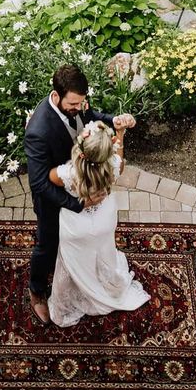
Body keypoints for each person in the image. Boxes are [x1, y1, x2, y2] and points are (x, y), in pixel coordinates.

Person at [23, 63, 136, 325]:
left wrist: (113, 121)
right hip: (54, 196)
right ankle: (36, 291)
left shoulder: (78, 102)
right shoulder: (38, 132)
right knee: (46, 243)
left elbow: (91, 114)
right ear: (56, 95)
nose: (79, 107)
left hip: (79, 174)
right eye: (73, 104)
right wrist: (77, 203)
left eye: (81, 102)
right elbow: (39, 183)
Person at [47, 118, 150, 327]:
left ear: (81, 149)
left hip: (76, 227)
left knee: (73, 261)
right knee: (102, 253)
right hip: (103, 222)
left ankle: (69, 298)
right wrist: (120, 135)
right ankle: (104, 285)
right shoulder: (113, 167)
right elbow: (119, 160)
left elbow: (48, 176)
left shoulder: (68, 174)